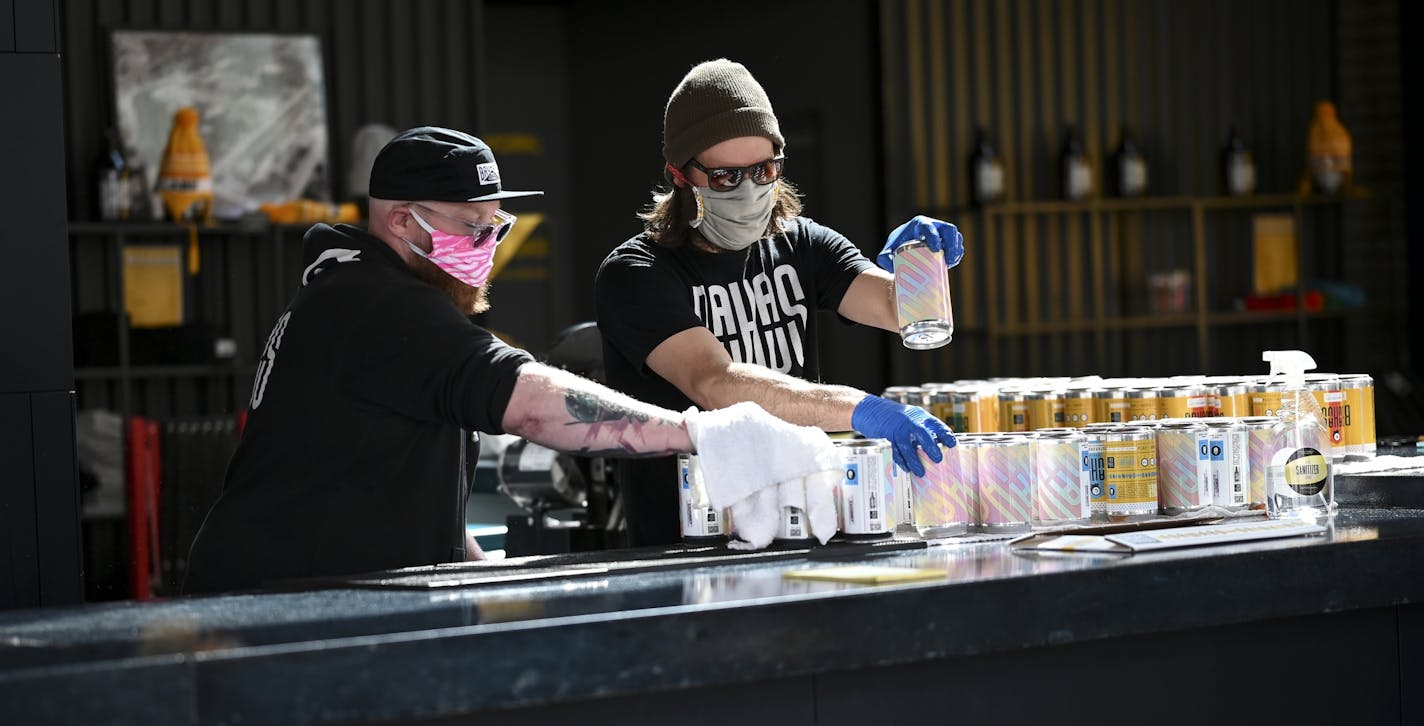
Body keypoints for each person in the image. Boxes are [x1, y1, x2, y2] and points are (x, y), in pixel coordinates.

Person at [183, 127, 824, 593]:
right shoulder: (378, 305)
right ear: (403, 222)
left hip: (312, 594)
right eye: (473, 229)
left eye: (498, 227)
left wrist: (486, 576)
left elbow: (395, 477)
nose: (488, 248)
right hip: (277, 607)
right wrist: (702, 433)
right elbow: (529, 400)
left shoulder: (354, 295)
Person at [595, 59, 964, 547]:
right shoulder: (635, 274)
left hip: (799, 530)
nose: (749, 190)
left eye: (763, 169)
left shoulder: (802, 245)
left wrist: (920, 267)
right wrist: (861, 408)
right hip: (689, 545)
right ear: (680, 176)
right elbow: (716, 383)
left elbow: (897, 312)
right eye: (726, 176)